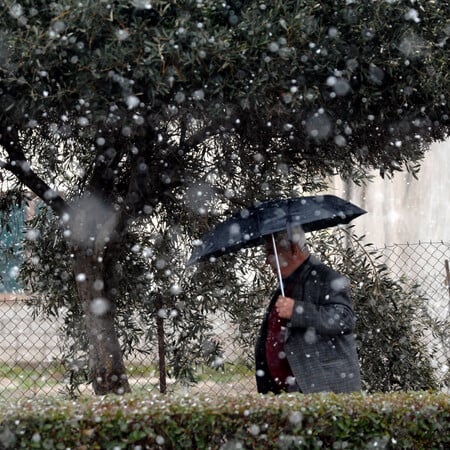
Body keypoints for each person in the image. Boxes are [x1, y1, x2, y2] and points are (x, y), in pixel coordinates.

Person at [255, 225, 361, 394]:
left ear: (294, 249)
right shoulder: (287, 283)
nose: (267, 260)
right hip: (290, 396)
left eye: (271, 252)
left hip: (325, 393)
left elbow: (344, 318)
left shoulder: (325, 278)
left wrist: (297, 310)